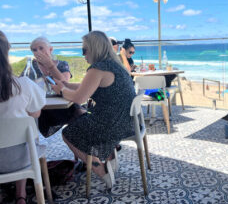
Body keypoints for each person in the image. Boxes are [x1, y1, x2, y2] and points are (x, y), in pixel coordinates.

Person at [52, 31, 136, 188]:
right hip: (127, 122)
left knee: (68, 133)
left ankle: (100, 169)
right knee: (80, 116)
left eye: (84, 50)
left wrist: (61, 91)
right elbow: (86, 87)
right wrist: (65, 85)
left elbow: (79, 98)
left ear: (94, 49)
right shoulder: (115, 65)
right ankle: (110, 158)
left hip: (112, 125)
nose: (83, 54)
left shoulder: (98, 69)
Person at [0, 31, 46, 204]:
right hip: (21, 159)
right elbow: (36, 113)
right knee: (25, 137)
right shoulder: (23, 84)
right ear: (6, 54)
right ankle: (21, 196)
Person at [20, 37, 83, 137]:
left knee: (78, 114)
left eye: (41, 48)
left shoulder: (62, 64)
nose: (38, 52)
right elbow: (22, 83)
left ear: (50, 49)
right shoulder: (31, 66)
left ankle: (92, 139)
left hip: (61, 104)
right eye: (34, 50)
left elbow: (65, 83)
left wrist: (50, 65)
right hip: (42, 108)